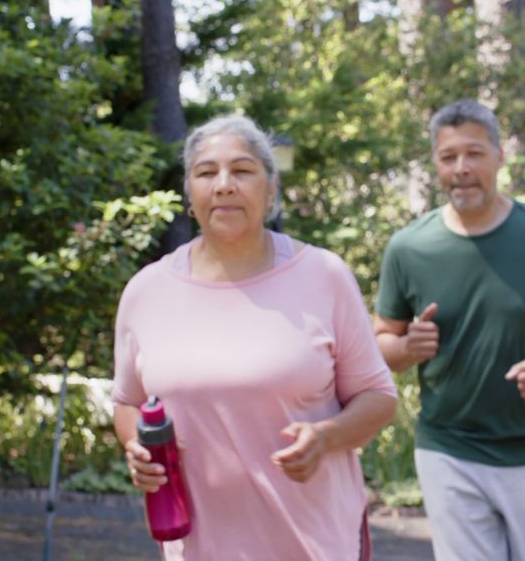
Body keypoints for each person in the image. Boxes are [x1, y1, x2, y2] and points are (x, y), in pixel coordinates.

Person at [111, 115, 397, 560]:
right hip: (198, 547)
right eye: (206, 173)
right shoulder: (147, 291)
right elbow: (128, 401)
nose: (224, 184)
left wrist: (326, 436)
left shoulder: (323, 275)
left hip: (317, 543)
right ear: (190, 194)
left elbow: (379, 397)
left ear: (271, 189)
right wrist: (137, 447)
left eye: (242, 170)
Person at [373, 99, 525, 561]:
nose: (461, 168)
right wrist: (407, 346)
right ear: (436, 165)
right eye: (448, 157)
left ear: (499, 157)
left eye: (474, 154)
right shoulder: (409, 248)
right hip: (449, 448)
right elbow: (383, 343)